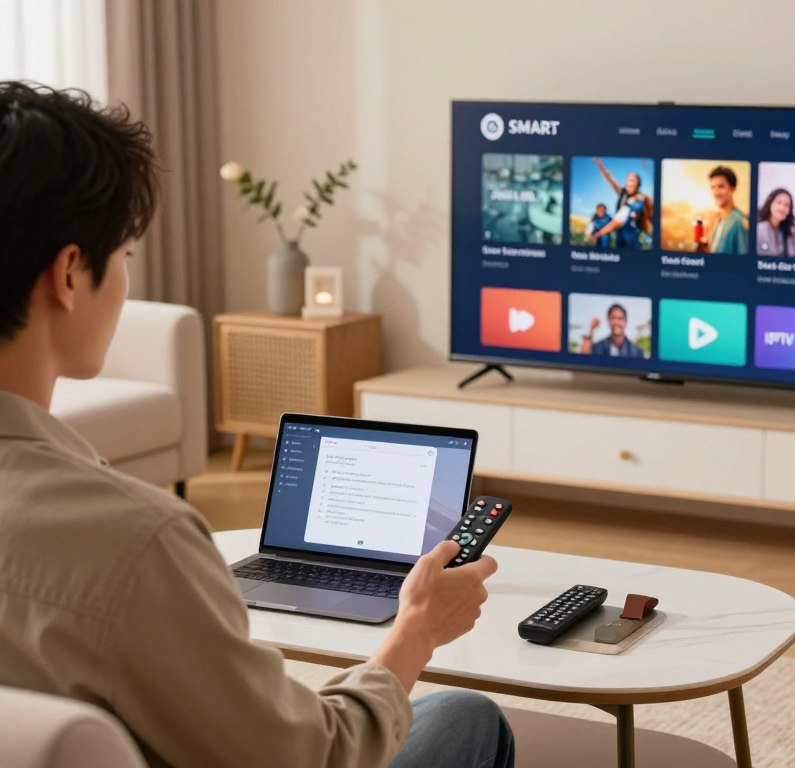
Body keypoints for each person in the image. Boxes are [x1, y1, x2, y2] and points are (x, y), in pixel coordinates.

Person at [0, 82, 514, 768]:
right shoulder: (134, 539)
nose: (125, 280)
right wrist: (416, 630)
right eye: (124, 256)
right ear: (69, 273)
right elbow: (313, 755)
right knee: (466, 717)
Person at [589, 157, 653, 249]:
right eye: (628, 180)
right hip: (620, 236)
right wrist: (601, 166)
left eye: (633, 180)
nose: (629, 183)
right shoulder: (623, 193)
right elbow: (611, 180)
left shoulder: (640, 199)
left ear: (638, 184)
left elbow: (618, 220)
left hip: (632, 238)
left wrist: (599, 233)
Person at [700, 165, 749, 255]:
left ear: (732, 189)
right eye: (713, 187)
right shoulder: (718, 219)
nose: (715, 192)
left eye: (721, 187)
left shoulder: (740, 221)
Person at [756, 187, 795, 257]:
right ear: (770, 203)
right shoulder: (759, 228)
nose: (782, 208)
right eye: (779, 202)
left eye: (786, 205)